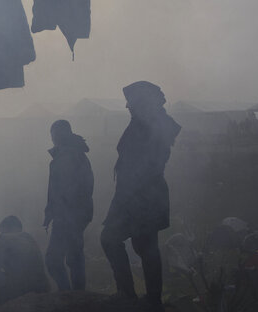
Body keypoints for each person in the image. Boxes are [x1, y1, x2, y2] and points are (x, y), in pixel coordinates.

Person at [101, 81, 180, 312]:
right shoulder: (145, 124)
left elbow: (151, 164)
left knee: (131, 243)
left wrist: (132, 190)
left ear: (142, 104)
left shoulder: (153, 127)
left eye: (131, 103)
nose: (128, 107)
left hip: (142, 196)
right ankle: (139, 296)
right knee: (140, 246)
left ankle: (136, 297)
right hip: (135, 195)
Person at [43, 120, 94, 291]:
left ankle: (69, 296)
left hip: (68, 215)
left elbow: (64, 191)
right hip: (74, 214)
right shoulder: (73, 154)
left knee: (54, 259)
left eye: (55, 134)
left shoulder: (68, 157)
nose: (54, 138)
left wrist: (57, 214)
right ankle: (76, 296)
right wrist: (50, 213)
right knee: (74, 256)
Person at [0, 216, 49, 305]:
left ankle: (5, 303)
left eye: (2, 231)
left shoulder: (6, 239)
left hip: (22, 290)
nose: (1, 234)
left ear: (8, 229)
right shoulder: (29, 239)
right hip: (42, 288)